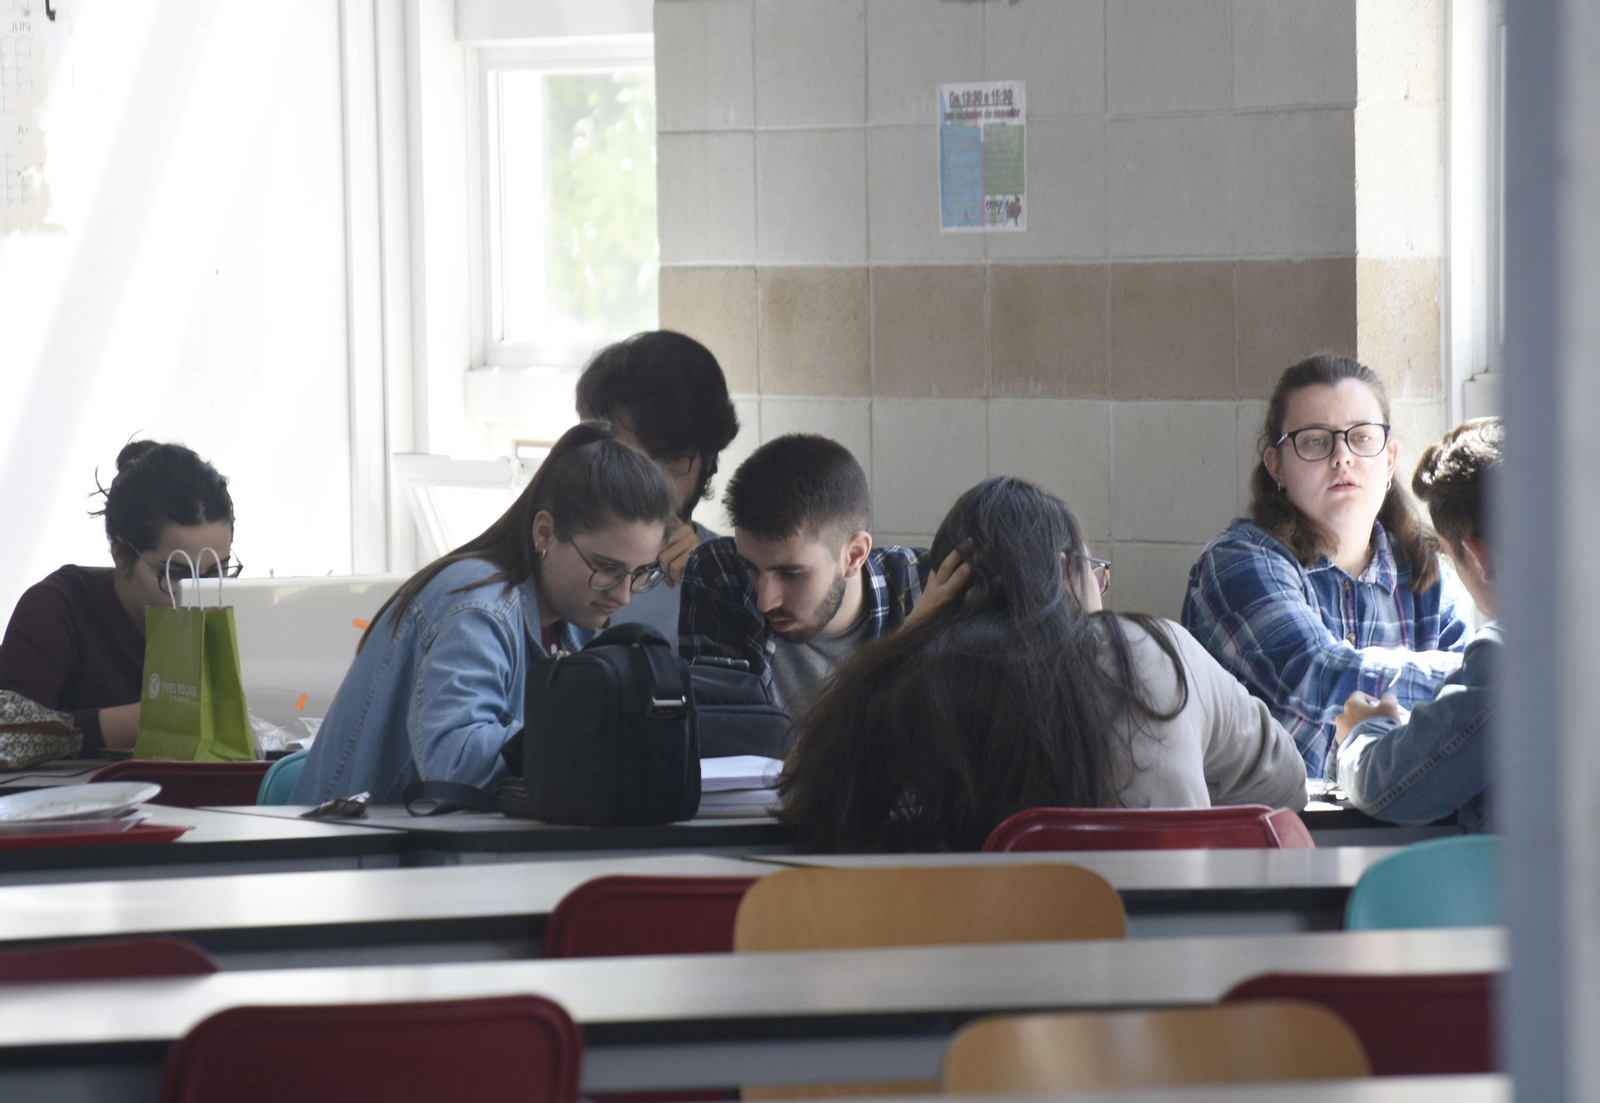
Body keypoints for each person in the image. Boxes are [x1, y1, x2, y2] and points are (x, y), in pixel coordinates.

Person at [776, 477, 1307, 853]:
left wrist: (910, 636)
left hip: (970, 956)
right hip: (1158, 946)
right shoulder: (1154, 650)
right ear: (1061, 571)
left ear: (946, 590)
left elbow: (802, 789)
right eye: (1094, 571)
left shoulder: (913, 682)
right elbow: (1286, 784)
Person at [291, 422, 678, 804]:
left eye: (640, 573)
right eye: (607, 568)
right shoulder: (479, 608)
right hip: (349, 842)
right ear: (545, 532)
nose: (624, 595)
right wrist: (595, 735)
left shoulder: (572, 619)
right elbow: (458, 765)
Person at [1182, 355, 1472, 778]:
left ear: (1390, 459)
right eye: (1315, 441)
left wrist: (1485, 682)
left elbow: (1466, 725)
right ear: (1277, 466)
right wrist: (1488, 674)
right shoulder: (1236, 563)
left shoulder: (1430, 578)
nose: (1342, 456)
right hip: (1269, 818)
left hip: (1403, 812)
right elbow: (1316, 672)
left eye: (1362, 437)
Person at [0, 441, 237, 754]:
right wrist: (150, 720)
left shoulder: (234, 611)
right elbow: (6, 733)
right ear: (121, 555)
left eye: (217, 572)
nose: (200, 598)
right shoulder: (57, 608)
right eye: (177, 575)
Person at [1334, 417, 1502, 832]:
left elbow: (1387, 785)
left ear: (1480, 557)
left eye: (1448, 555)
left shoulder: (1510, 661)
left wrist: (1364, 731)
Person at [678, 434, 927, 713]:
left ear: (854, 555)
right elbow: (715, 728)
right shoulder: (719, 573)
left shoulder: (925, 586)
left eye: (790, 574)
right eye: (751, 568)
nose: (765, 601)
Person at [575, 331, 741, 641]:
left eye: (669, 458)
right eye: (627, 457)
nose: (646, 481)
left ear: (709, 460)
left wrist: (714, 591)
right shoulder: (547, 557)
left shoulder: (737, 580)